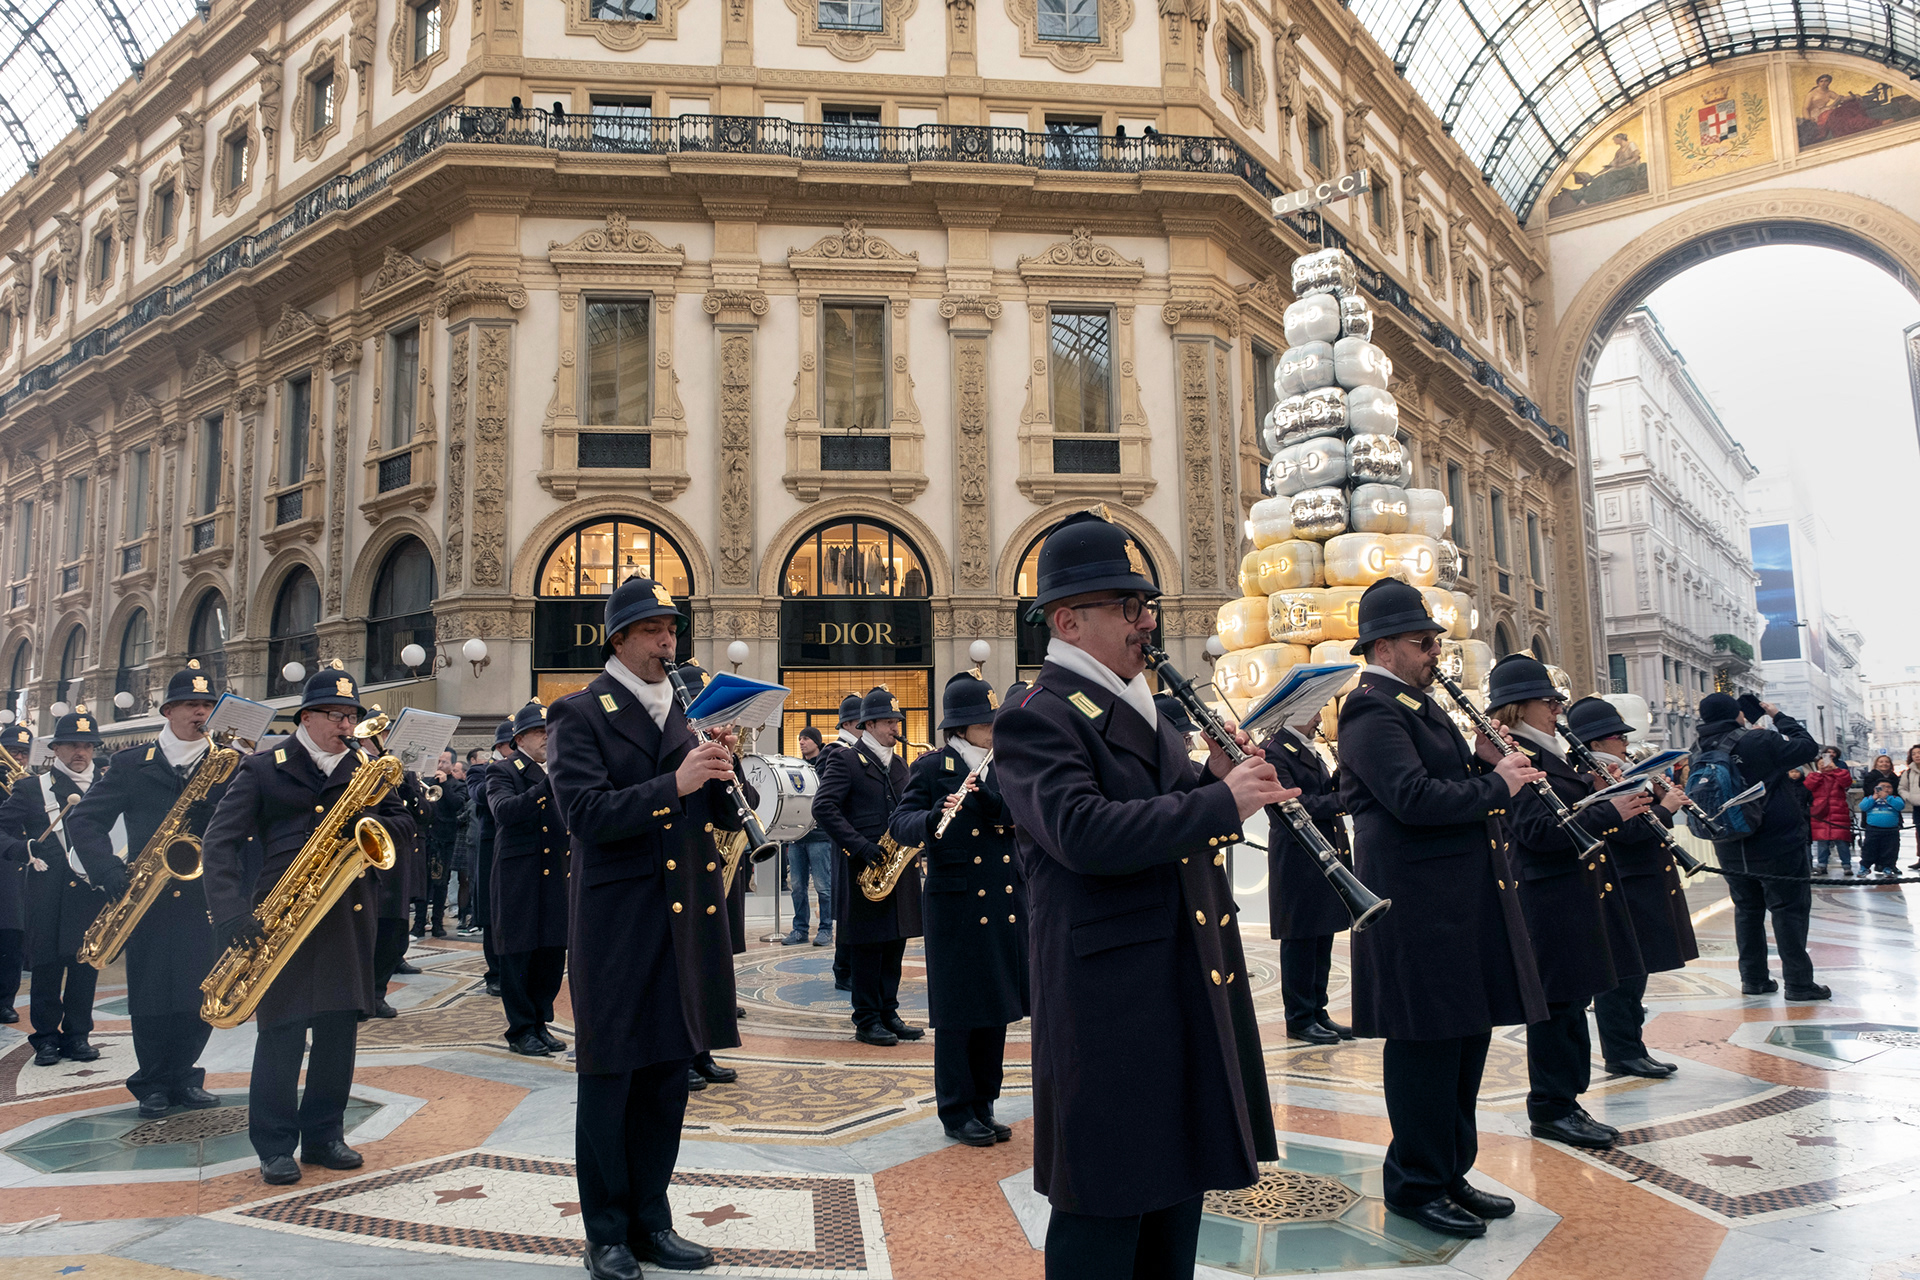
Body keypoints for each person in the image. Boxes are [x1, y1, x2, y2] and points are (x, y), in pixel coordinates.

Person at [994, 509, 1291, 1279]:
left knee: (1173, 1190)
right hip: (1109, 998)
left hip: (1179, 977)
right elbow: (1084, 832)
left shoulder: (1143, 708)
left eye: (1146, 604)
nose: (1147, 621)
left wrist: (1223, 782)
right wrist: (1218, 803)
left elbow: (1168, 807)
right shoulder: (1036, 717)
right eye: (1128, 606)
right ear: (1068, 620)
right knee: (1107, 1204)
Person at [546, 575, 751, 1278]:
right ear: (620, 638)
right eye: (654, 630)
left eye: (673, 628)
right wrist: (677, 783)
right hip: (619, 924)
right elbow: (586, 816)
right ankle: (605, 1230)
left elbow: (722, 819)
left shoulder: (688, 713)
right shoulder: (579, 713)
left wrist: (728, 773)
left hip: (685, 921)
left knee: (666, 1077)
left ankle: (651, 1221)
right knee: (611, 1081)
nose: (670, 641)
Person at [1338, 578, 1548, 1239]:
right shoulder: (1371, 710)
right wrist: (1497, 782)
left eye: (1434, 641)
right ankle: (1414, 1184)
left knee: (1464, 1041)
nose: (1434, 652)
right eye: (1421, 642)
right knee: (1426, 1049)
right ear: (1383, 646)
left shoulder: (1414, 707)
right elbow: (1411, 799)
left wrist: (1479, 762)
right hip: (1416, 910)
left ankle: (1450, 1170)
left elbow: (1438, 786)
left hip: (1454, 907)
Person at [198, 662, 417, 1184]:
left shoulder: (365, 767)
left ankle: (325, 1135)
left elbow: (407, 822)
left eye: (351, 716)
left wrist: (371, 825)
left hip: (346, 914)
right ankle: (275, 1145)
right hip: (278, 917)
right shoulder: (263, 766)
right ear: (308, 716)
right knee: (282, 1034)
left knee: (339, 1032)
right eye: (338, 716)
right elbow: (219, 842)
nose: (348, 726)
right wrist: (230, 912)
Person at [1487, 656, 1647, 1152]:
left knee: (1575, 1001)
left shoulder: (1553, 751)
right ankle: (1552, 1107)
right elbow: (1535, 832)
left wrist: (1606, 794)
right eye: (1548, 701)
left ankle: (1568, 1101)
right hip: (1546, 894)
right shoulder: (1516, 755)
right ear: (1518, 708)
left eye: (1558, 700)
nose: (1559, 708)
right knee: (1559, 1008)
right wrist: (1606, 811)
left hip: (1572, 890)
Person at [67, 663, 230, 1118]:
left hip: (204, 898)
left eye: (206, 705)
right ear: (169, 710)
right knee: (152, 994)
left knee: (199, 992)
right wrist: (108, 870)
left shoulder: (226, 765)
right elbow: (85, 820)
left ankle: (185, 1075)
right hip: (146, 899)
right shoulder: (129, 764)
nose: (201, 713)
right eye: (192, 705)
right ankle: (153, 1082)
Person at [888, 671, 1027, 1147]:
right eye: (984, 722)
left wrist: (992, 801)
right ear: (961, 727)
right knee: (958, 1013)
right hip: (957, 906)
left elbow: (1023, 817)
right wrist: (932, 818)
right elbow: (901, 824)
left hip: (1005, 899)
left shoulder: (1004, 765)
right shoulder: (931, 768)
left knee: (996, 1010)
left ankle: (985, 1103)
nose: (992, 729)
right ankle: (956, 1110)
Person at [1568, 698, 1696, 1081]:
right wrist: (1667, 807)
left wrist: (1658, 791)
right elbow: (1624, 830)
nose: (1625, 743)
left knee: (1635, 973)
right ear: (1599, 741)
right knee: (1624, 976)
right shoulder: (1596, 774)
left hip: (1640, 881)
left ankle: (1631, 1047)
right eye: (1617, 736)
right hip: (1624, 882)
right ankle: (1622, 1052)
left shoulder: (1617, 770)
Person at [1694, 692, 1825, 1000]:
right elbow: (1808, 747)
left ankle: (1753, 979)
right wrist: (1778, 716)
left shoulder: (1698, 749)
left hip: (1728, 842)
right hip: (1776, 841)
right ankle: (1799, 983)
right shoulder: (1760, 740)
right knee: (1789, 910)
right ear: (1738, 713)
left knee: (1747, 910)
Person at [814, 686, 925, 1047]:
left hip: (897, 867)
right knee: (867, 947)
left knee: (895, 941)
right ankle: (865, 1018)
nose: (897, 727)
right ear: (870, 724)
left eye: (898, 721)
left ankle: (888, 1011)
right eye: (890, 722)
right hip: (864, 869)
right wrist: (860, 846)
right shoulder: (845, 759)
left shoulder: (900, 763)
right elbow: (824, 808)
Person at [0, 707, 110, 1066]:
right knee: (46, 968)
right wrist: (23, 849)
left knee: (85, 967)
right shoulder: (33, 788)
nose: (80, 753)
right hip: (47, 893)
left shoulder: (107, 787)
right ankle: (45, 1038)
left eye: (87, 746)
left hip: (92, 895)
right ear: (56, 749)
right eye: (72, 745)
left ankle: (78, 1035)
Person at [1258, 703, 1353, 1045]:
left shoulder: (1305, 749)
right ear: (1293, 714)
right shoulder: (1275, 751)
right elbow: (1290, 805)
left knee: (1322, 933)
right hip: (1298, 858)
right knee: (1300, 938)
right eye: (1314, 711)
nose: (1318, 718)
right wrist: (1342, 801)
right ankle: (1299, 1017)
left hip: (1322, 853)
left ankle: (1319, 1010)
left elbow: (1322, 792)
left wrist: (1343, 773)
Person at [490, 700, 571, 1057]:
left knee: (551, 953)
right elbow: (505, 811)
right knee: (519, 954)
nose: (547, 738)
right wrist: (547, 785)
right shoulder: (503, 771)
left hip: (556, 877)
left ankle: (541, 1022)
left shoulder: (560, 770)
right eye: (540, 732)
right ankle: (521, 1028)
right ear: (520, 737)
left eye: (550, 731)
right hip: (518, 877)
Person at [780, 727, 835, 948]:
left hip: (820, 835)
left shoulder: (828, 765)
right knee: (798, 886)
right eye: (800, 739)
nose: (802, 742)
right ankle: (800, 929)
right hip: (797, 835)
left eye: (806, 739)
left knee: (823, 886)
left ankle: (826, 929)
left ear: (817, 742)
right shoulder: (797, 767)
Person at [471, 721, 514, 994]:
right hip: (490, 848)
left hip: (519, 847)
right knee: (492, 912)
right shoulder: (481, 770)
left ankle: (513, 972)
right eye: (514, 743)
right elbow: (479, 795)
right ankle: (495, 973)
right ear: (499, 747)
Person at [415, 749, 466, 939]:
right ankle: (420, 923)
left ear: (452, 766)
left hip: (444, 839)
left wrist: (444, 787)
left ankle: (438, 923)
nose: (440, 765)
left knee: (440, 882)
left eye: (444, 762)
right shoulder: (426, 782)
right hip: (426, 837)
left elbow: (457, 805)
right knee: (422, 881)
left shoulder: (457, 785)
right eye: (437, 761)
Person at [0, 723, 29, 1025]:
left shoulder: (30, 784)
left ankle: (5, 1000)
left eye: (22, 752)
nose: (18, 757)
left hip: (14, 869)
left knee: (12, 936)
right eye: (12, 751)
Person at [1803, 748, 1854, 876]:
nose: (1824, 765)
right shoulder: (1815, 776)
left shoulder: (1840, 773)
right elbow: (1809, 785)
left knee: (1842, 841)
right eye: (1820, 764)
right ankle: (1821, 865)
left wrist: (1835, 769)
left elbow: (1846, 782)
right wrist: (1819, 772)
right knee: (1822, 841)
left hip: (1838, 811)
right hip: (1821, 812)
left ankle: (1846, 865)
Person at [1859, 783, 1905, 878]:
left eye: (1888, 787)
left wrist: (1888, 798)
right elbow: (1863, 806)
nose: (1885, 789)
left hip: (1891, 830)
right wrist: (1874, 797)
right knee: (1869, 849)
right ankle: (1865, 866)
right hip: (1873, 829)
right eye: (1882, 787)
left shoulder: (1895, 798)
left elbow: (1900, 806)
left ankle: (1887, 866)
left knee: (1890, 849)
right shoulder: (1870, 798)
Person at [1901, 746, 1920, 868]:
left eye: (1919, 753)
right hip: (1918, 807)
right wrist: (1910, 797)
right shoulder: (1908, 773)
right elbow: (1902, 788)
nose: (1917, 755)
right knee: (1919, 834)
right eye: (1914, 754)